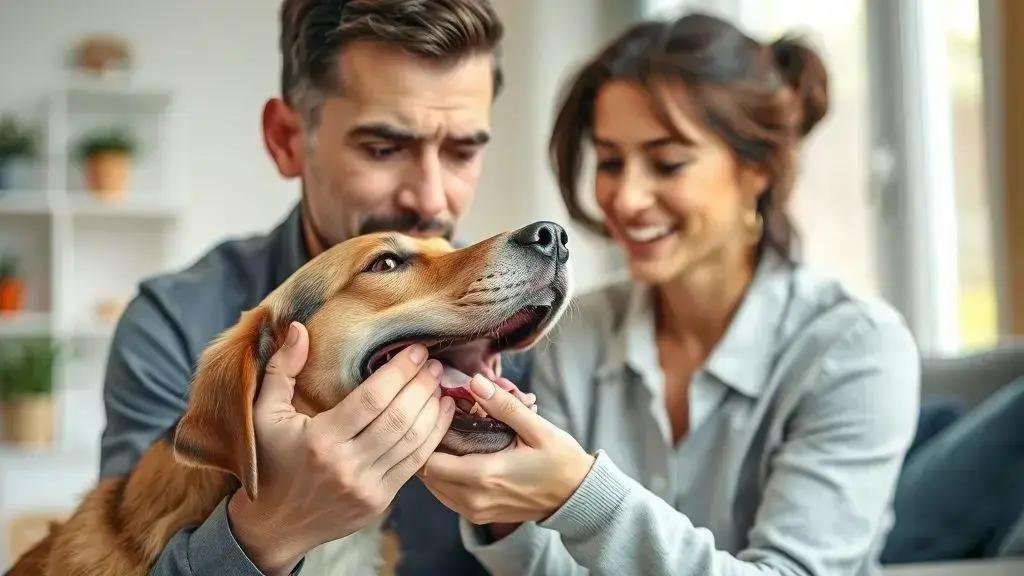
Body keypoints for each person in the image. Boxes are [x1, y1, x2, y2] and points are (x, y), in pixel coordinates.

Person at [419, 13, 922, 575]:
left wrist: (578, 497)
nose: (627, 198)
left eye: (668, 163)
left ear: (758, 168)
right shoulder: (577, 331)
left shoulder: (857, 349)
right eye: (610, 161)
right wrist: (504, 512)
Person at [98, 1, 509, 574]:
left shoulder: (512, 324)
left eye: (463, 151)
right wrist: (274, 527)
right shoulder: (171, 325)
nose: (434, 200)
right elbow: (119, 554)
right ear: (288, 138)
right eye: (383, 149)